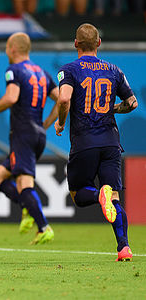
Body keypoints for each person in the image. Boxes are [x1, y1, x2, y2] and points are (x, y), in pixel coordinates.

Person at [55, 23, 137, 261]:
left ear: (75, 44)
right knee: (115, 198)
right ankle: (124, 248)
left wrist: (61, 122)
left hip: (85, 141)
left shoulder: (68, 70)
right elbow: (132, 103)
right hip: (111, 142)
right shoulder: (114, 70)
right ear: (99, 43)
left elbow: (63, 99)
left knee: (79, 194)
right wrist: (112, 109)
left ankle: (98, 194)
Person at [0, 32, 58, 244]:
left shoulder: (14, 70)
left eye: (7, 48)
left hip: (23, 134)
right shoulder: (42, 72)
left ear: (12, 49)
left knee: (24, 185)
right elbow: (63, 99)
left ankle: (43, 226)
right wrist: (48, 124)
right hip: (37, 135)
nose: (6, 51)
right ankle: (28, 208)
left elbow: (11, 97)